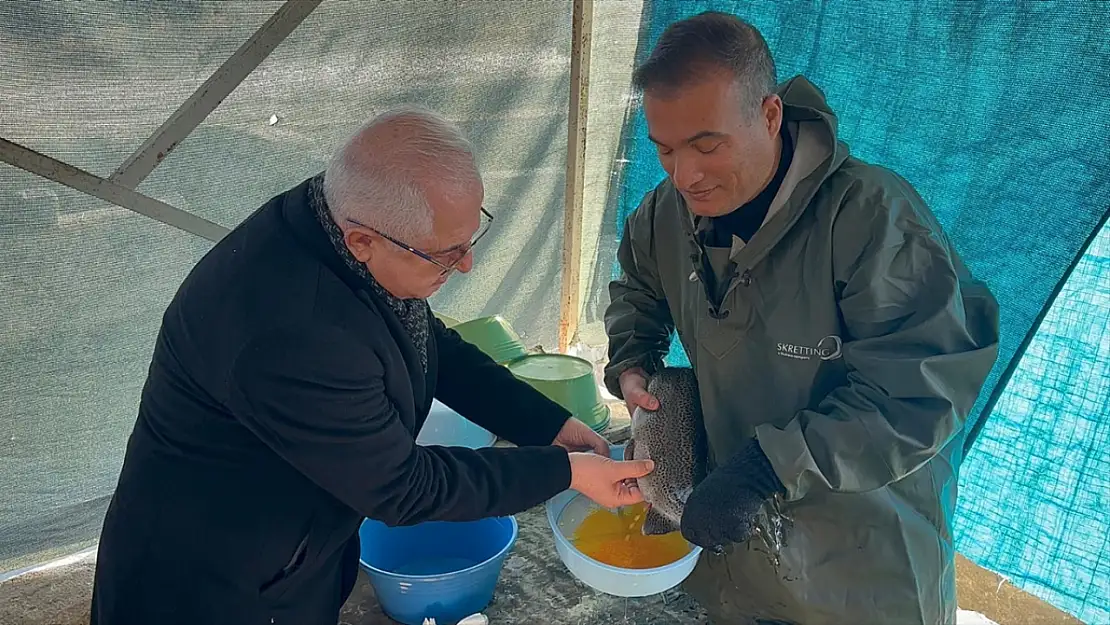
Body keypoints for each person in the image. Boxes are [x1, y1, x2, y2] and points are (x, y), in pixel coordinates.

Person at [90, 106, 653, 625]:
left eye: (470, 235)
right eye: (447, 253)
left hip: (295, 548)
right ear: (363, 241)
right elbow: (403, 488)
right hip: (211, 585)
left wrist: (546, 424)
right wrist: (565, 472)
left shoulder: (333, 222)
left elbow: (431, 342)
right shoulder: (291, 334)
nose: (467, 264)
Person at [604, 12, 1000, 625]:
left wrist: (767, 467)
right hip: (730, 544)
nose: (685, 175)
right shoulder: (664, 212)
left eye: (706, 145)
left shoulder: (874, 220)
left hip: (860, 555)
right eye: (664, 150)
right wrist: (632, 362)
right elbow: (637, 289)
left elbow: (919, 392)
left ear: (769, 116)